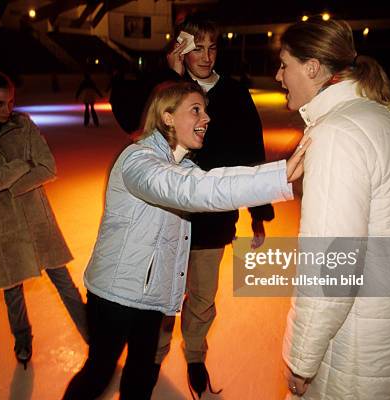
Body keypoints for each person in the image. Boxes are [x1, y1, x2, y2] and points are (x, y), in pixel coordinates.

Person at [63, 81, 309, 400]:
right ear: (167, 117)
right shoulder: (137, 160)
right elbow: (192, 189)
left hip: (150, 299)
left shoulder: (182, 167)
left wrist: (275, 181)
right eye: (196, 110)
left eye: (205, 111)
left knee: (139, 376)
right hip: (115, 294)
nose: (206, 118)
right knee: (98, 373)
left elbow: (213, 180)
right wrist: (279, 176)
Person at [275, 19, 390, 399]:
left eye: (284, 64)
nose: (278, 75)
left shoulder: (338, 135)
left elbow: (333, 265)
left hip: (369, 341)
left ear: (311, 68)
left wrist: (301, 358)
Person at [110, 14, 275, 397]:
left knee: (202, 296)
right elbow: (128, 116)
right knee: (164, 295)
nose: (206, 55)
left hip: (214, 220)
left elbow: (253, 155)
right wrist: (164, 71)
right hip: (170, 216)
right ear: (182, 48)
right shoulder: (168, 92)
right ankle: (153, 357)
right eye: (196, 46)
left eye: (212, 46)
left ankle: (196, 353)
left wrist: (259, 213)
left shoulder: (234, 95)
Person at [0, 70, 89, 370]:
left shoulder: (23, 124)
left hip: (37, 218)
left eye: (10, 102)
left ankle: (92, 336)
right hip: (3, 226)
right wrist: (21, 164)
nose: (7, 110)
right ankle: (23, 339)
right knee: (12, 291)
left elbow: (48, 167)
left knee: (64, 281)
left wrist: (12, 184)